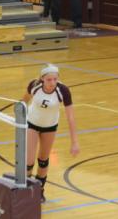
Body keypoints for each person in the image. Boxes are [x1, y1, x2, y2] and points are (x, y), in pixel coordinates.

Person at [22, 64, 79, 202]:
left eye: (55, 79)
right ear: (42, 78)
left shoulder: (63, 90)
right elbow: (24, 101)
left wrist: (74, 142)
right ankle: (25, 189)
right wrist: (19, 113)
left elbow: (71, 118)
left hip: (50, 127)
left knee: (43, 160)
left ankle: (39, 190)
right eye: (49, 79)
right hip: (32, 124)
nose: (52, 82)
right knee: (29, 161)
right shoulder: (34, 86)